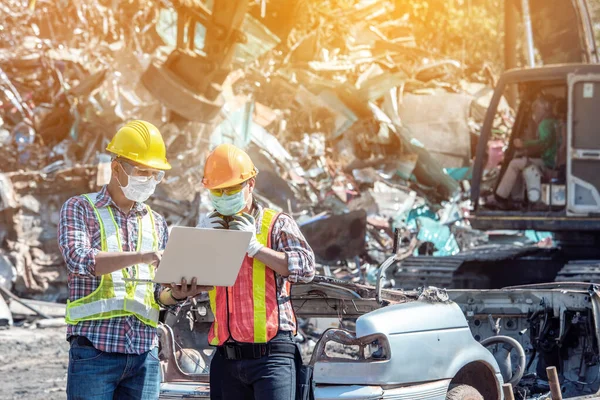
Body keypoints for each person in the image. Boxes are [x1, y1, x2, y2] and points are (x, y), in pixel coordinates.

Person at [59, 120, 210, 400]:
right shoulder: (81, 208)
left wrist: (175, 295)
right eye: (142, 171)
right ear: (116, 168)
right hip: (95, 351)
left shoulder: (157, 222)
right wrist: (143, 256)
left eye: (156, 174)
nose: (149, 180)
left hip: (144, 354)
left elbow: (156, 295)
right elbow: (79, 259)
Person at [198, 143, 316, 400]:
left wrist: (255, 247)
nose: (223, 196)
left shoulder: (276, 223)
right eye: (217, 191)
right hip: (226, 357)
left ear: (250, 184)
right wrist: (200, 244)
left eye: (230, 189)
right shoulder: (211, 227)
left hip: (271, 356)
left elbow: (306, 268)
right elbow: (193, 284)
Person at [491, 94, 559, 207]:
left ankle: (500, 198)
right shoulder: (554, 122)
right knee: (519, 163)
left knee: (514, 163)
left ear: (545, 108)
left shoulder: (545, 124)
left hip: (548, 163)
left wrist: (524, 144)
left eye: (537, 108)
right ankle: (517, 198)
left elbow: (543, 143)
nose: (535, 111)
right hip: (553, 161)